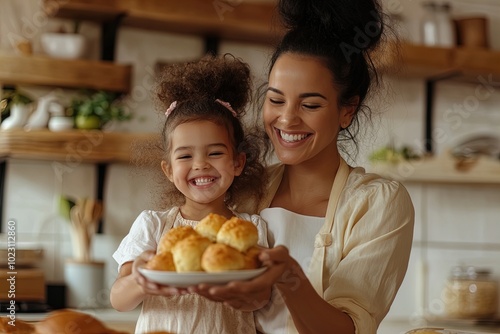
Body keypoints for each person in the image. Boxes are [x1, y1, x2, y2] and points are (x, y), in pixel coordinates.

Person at [190, 0, 415, 333]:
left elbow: (349, 329)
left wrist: (288, 276)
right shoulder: (243, 189)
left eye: (310, 104)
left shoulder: (378, 203)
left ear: (346, 111)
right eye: (276, 99)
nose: (287, 119)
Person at [109, 54, 269, 334]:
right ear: (169, 170)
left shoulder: (250, 228)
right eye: (185, 155)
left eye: (215, 152)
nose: (200, 164)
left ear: (238, 162)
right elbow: (118, 300)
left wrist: (230, 291)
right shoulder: (154, 226)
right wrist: (140, 280)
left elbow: (260, 299)